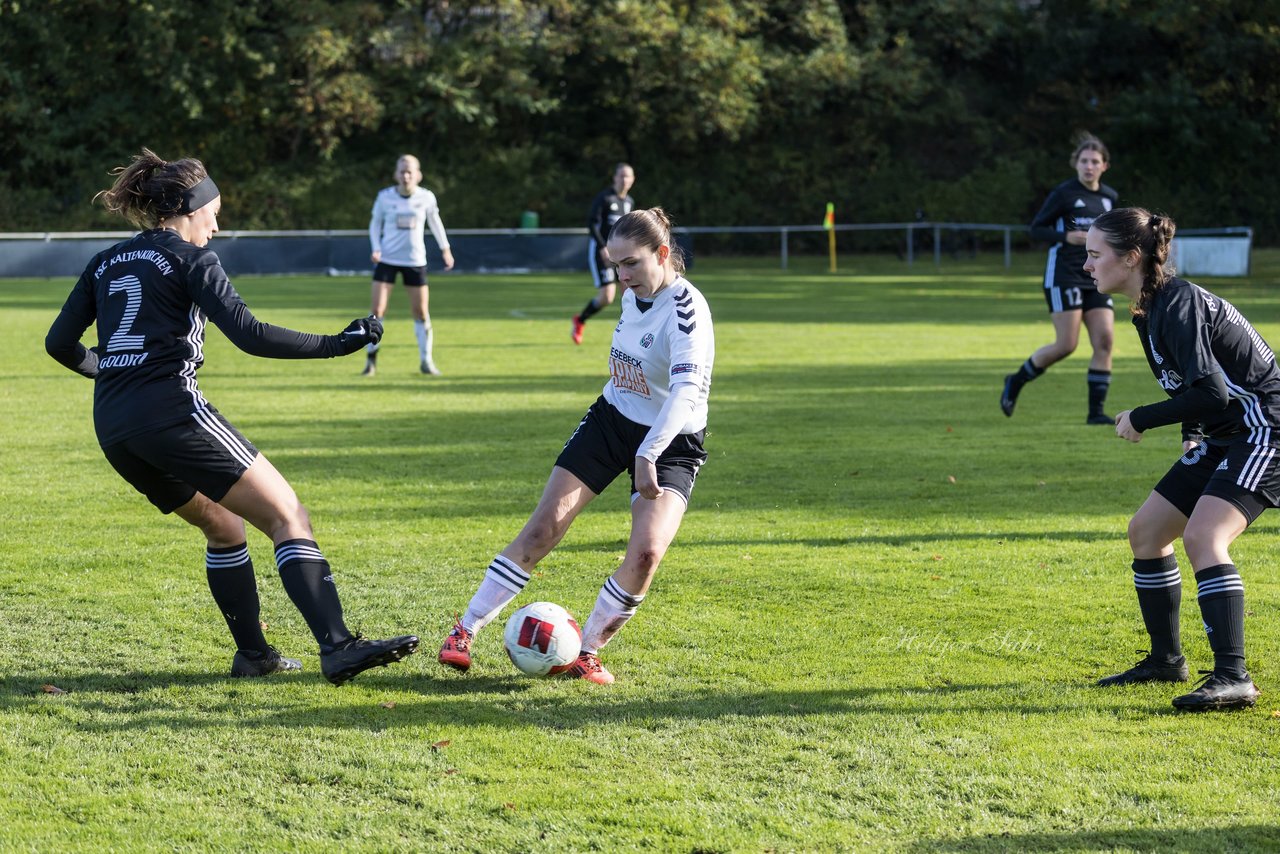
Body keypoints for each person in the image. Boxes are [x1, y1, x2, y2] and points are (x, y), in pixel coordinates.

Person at [44, 148, 419, 685]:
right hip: (172, 412)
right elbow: (250, 335)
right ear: (189, 209)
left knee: (223, 527)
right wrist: (337, 344)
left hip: (115, 427)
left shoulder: (105, 261)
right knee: (288, 516)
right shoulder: (192, 260)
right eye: (213, 213)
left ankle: (254, 656)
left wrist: (112, 371)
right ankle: (337, 646)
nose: (216, 227)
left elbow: (59, 344)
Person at [440, 207, 714, 684]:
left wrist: (649, 452)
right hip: (611, 422)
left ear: (663, 254)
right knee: (543, 529)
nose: (622, 277)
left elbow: (688, 392)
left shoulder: (688, 311)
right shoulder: (634, 295)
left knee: (647, 553)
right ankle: (463, 631)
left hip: (672, 440)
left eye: (631, 264)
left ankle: (585, 650)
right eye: (615, 266)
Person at [1088, 207, 1270, 711]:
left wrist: (1142, 417)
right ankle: (1166, 660)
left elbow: (1212, 391)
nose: (1087, 265)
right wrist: (1192, 434)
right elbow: (1197, 383)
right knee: (1146, 533)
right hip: (1225, 431)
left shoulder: (1177, 302)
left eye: (1095, 255)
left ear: (1131, 257)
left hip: (1264, 430)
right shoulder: (1149, 307)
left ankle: (1234, 677)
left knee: (1205, 537)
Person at [1002, 134, 1119, 424]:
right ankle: (1016, 380)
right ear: (1075, 164)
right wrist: (1065, 236)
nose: (1088, 166)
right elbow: (1035, 229)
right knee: (1067, 344)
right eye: (1083, 161)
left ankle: (1095, 414)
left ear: (1104, 165)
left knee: (1104, 341)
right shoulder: (1064, 193)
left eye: (1094, 161)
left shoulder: (1109, 198)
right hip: (1064, 275)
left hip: (1096, 276)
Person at [364, 154, 455, 376]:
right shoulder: (384, 197)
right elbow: (375, 224)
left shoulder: (426, 197)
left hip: (415, 261)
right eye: (402, 171)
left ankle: (426, 361)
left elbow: (435, 222)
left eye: (410, 171)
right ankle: (370, 362)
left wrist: (445, 249)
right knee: (377, 311)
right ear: (396, 174)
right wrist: (376, 247)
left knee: (421, 311)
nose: (406, 175)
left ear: (418, 175)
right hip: (387, 260)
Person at [571, 163, 636, 345]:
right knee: (607, 296)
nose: (624, 180)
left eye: (628, 176)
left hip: (622, 254)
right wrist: (602, 247)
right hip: (603, 253)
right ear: (615, 178)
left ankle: (628, 334)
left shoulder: (630, 202)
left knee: (628, 294)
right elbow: (592, 224)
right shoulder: (605, 198)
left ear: (633, 180)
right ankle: (580, 320)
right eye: (621, 176)